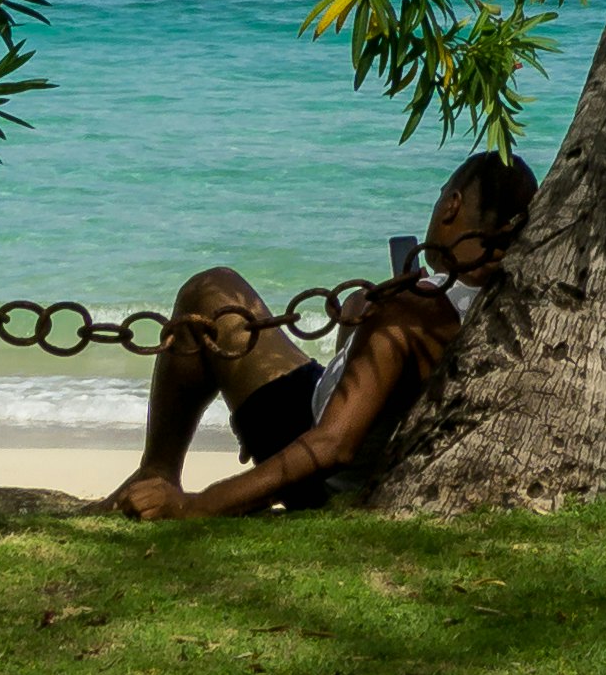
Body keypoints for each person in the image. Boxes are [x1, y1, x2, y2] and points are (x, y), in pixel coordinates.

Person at [102, 153, 537, 520]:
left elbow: (333, 446)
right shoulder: (506, 305)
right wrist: (355, 332)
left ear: (452, 206)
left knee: (211, 292)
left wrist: (195, 505)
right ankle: (154, 472)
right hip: (333, 408)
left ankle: (158, 472)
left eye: (441, 195)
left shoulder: (413, 308)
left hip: (316, 460)